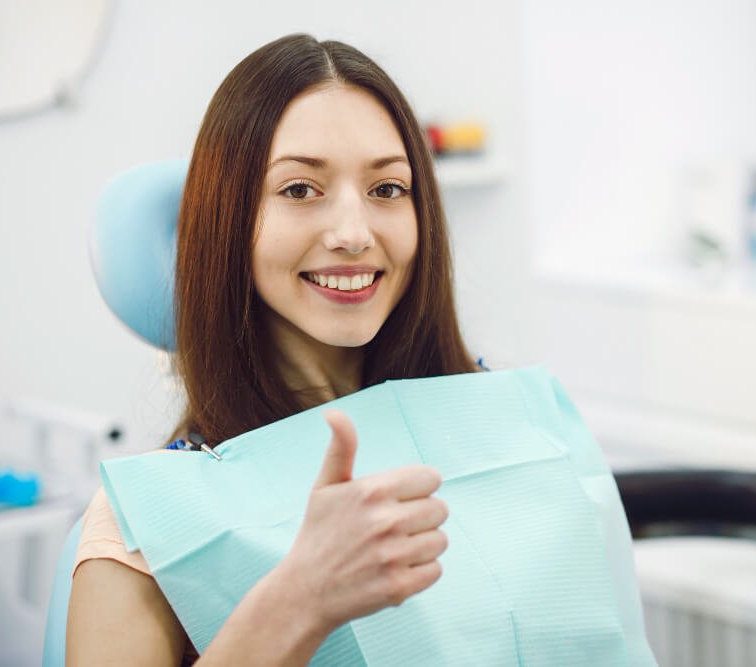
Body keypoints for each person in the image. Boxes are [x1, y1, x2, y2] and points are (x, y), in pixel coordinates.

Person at [67, 33, 477, 666]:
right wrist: (299, 602)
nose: (353, 233)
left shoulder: (492, 422)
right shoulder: (143, 525)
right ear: (227, 221)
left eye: (388, 189)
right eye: (299, 190)